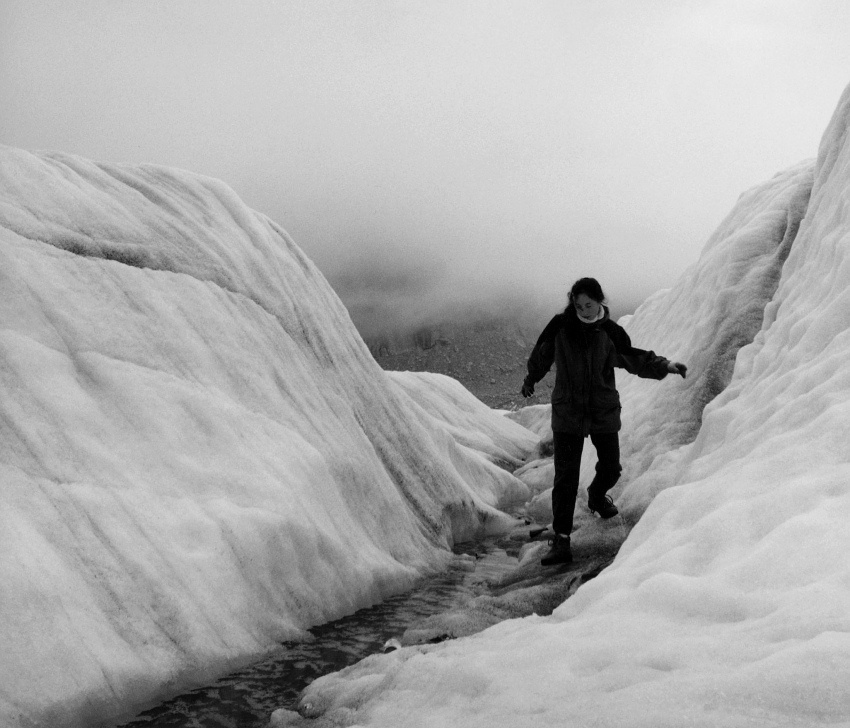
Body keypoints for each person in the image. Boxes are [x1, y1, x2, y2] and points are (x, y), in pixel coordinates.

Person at [521, 277, 687, 566]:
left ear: (600, 301)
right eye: (578, 305)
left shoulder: (610, 332)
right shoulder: (561, 326)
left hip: (602, 411)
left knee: (611, 467)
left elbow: (634, 358)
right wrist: (530, 379)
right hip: (568, 414)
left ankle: (597, 495)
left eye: (588, 304)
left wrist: (667, 366)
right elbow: (542, 355)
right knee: (565, 479)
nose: (583, 310)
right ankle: (561, 541)